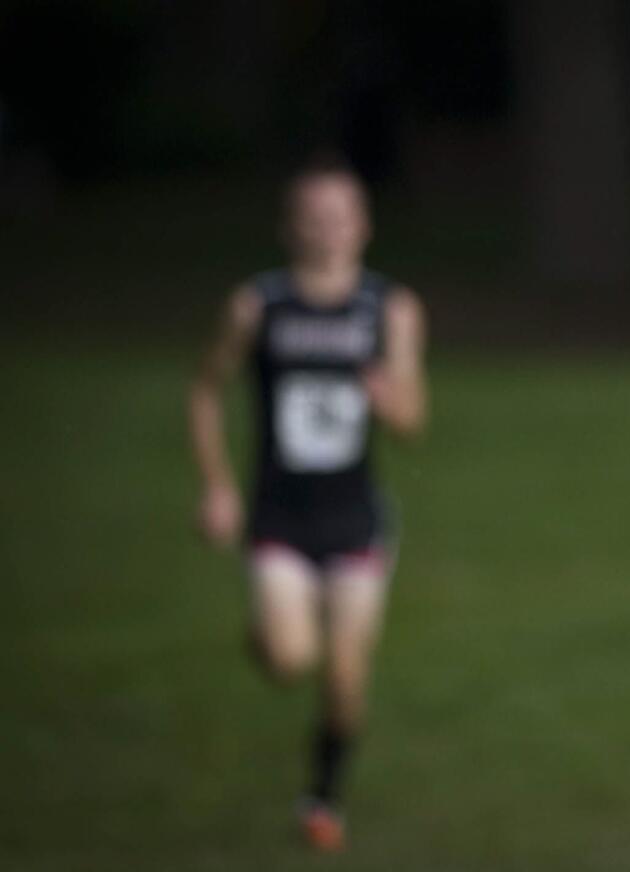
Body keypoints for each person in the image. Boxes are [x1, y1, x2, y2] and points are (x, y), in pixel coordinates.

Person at [188, 157, 427, 852]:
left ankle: (321, 801)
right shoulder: (258, 305)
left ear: (364, 226)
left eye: (341, 218)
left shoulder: (391, 308)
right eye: (313, 219)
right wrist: (217, 485)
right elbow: (205, 389)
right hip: (279, 519)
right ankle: (270, 631)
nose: (328, 232)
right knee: (292, 659)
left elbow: (414, 423)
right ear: (290, 228)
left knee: (346, 681)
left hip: (355, 520)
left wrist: (392, 399)